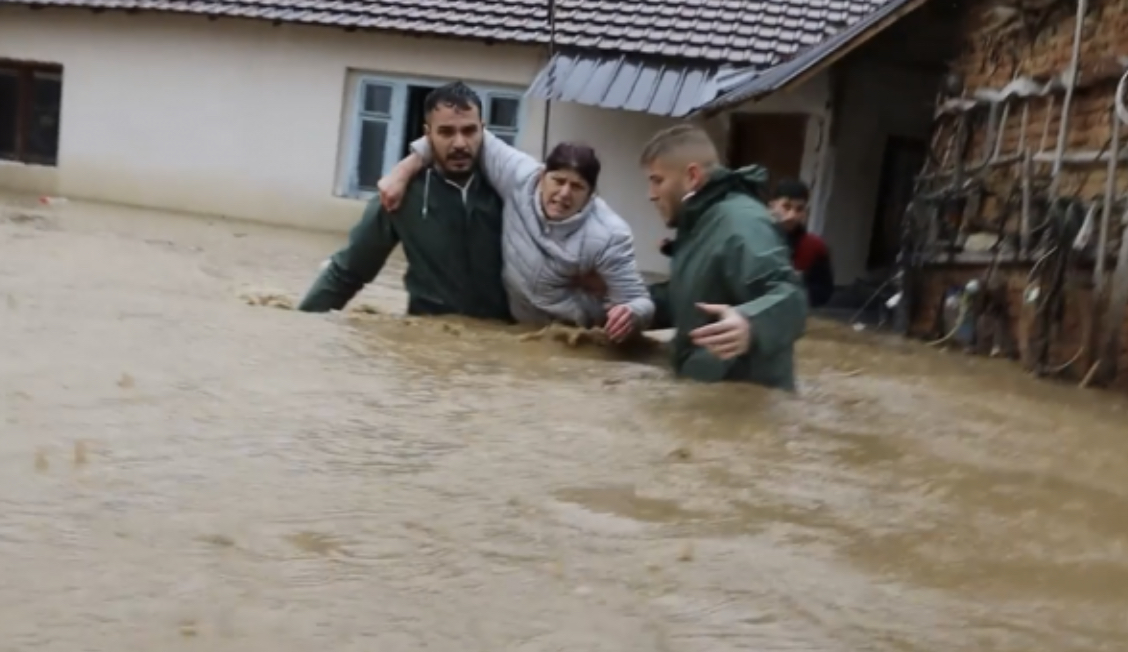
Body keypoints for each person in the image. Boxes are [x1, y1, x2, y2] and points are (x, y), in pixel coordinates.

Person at [377, 129, 653, 343]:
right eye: (558, 181)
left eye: (577, 186)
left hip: (571, 338)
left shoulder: (609, 235)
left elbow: (638, 300)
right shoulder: (520, 178)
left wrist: (631, 314)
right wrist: (401, 172)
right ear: (542, 176)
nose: (564, 193)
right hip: (517, 330)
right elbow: (469, 135)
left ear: (591, 194)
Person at [297, 82, 511, 321]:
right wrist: (301, 325)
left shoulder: (509, 189)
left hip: (501, 335)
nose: (460, 143)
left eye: (469, 131)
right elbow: (348, 272)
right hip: (427, 337)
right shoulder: (401, 195)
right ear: (428, 135)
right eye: (446, 132)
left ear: (483, 131)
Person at [640, 124, 808, 390]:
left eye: (657, 180)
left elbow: (793, 299)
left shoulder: (741, 225)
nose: (651, 194)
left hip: (747, 408)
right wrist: (629, 302)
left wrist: (749, 323)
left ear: (692, 176)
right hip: (708, 395)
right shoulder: (700, 225)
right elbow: (692, 302)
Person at [770, 179, 835, 308]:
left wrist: (800, 282)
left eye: (799, 209)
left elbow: (824, 292)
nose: (792, 215)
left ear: (806, 212)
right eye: (786, 207)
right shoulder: (754, 238)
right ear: (772, 206)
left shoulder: (815, 246)